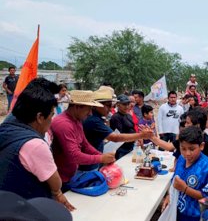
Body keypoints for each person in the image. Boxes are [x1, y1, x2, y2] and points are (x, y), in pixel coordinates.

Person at [0, 78, 74, 211]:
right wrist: (57, 193)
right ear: (40, 117)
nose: (52, 119)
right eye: (51, 115)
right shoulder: (34, 144)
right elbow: (55, 183)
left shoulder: (9, 125)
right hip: (26, 206)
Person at [51, 90, 116, 191]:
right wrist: (101, 159)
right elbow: (75, 156)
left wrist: (102, 156)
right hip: (60, 179)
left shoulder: (77, 120)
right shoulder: (64, 124)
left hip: (71, 175)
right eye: (88, 109)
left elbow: (85, 145)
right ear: (77, 106)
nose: (90, 113)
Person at [80, 87, 152, 171]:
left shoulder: (99, 118)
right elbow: (116, 137)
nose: (110, 109)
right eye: (108, 106)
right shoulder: (94, 120)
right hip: (89, 165)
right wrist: (141, 135)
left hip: (96, 159)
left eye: (111, 106)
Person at [162, 126, 208, 221]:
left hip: (195, 216)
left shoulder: (207, 167)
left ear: (201, 146)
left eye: (192, 149)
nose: (187, 153)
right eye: (183, 149)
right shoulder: (181, 159)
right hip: (177, 211)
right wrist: (168, 196)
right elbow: (174, 181)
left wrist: (185, 189)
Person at [109, 94, 138, 159]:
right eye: (124, 104)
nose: (127, 106)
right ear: (118, 104)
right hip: (121, 149)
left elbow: (133, 129)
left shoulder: (129, 116)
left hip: (131, 146)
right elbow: (119, 135)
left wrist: (137, 138)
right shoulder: (115, 117)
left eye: (128, 104)